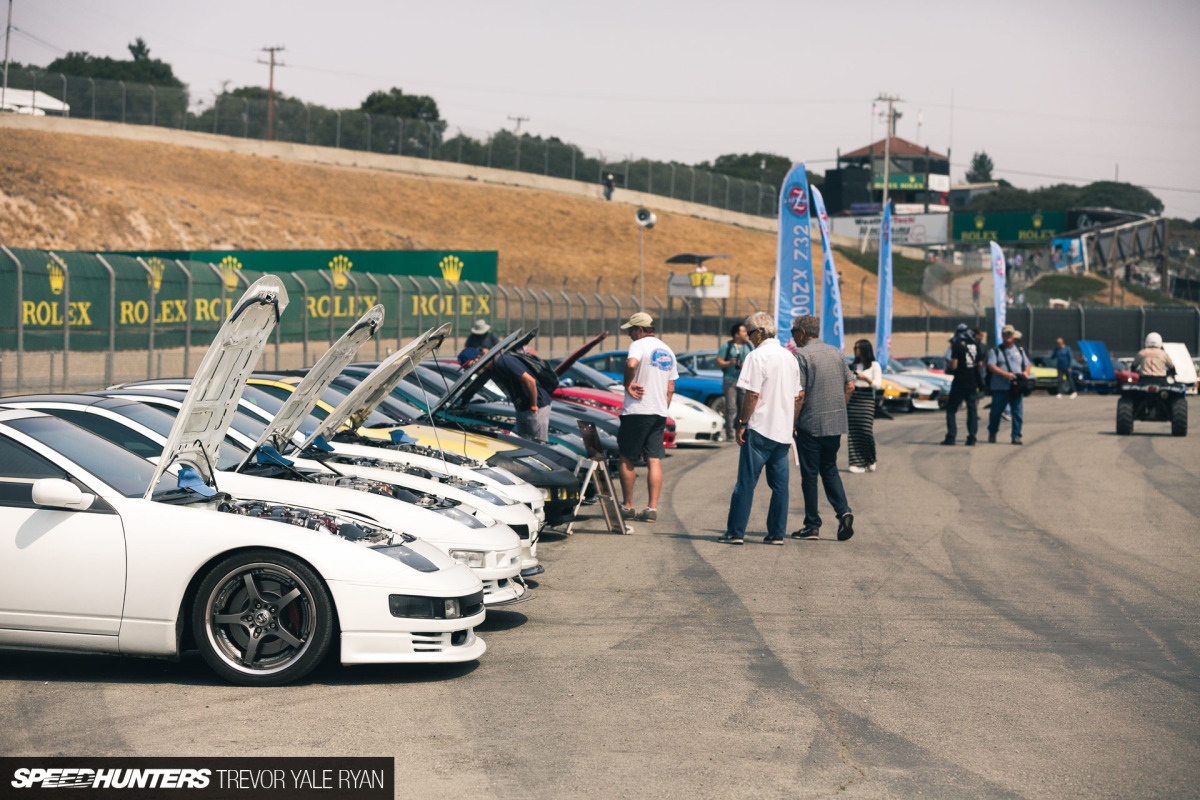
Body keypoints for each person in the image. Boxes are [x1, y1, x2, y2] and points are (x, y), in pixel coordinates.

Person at [718, 313, 801, 546]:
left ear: (760, 332)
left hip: (760, 429)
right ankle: (776, 534)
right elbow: (798, 396)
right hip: (783, 432)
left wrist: (742, 423)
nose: (750, 338)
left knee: (745, 483)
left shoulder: (757, 356)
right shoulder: (789, 357)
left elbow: (752, 394)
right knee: (780, 487)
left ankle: (735, 532)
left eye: (751, 333)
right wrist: (791, 423)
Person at [790, 315, 856, 542]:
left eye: (793, 332)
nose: (793, 337)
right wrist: (838, 407)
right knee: (829, 469)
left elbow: (799, 395)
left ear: (802, 333)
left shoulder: (802, 355)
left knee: (809, 475)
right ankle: (843, 510)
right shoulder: (836, 352)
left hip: (811, 424)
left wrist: (792, 422)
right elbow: (850, 385)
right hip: (835, 423)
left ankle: (812, 524)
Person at [617, 312, 677, 523]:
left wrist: (627, 384)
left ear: (640, 330)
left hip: (637, 410)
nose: (630, 335)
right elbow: (671, 386)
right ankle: (651, 508)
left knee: (627, 456)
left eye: (631, 330)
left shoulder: (639, 345)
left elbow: (632, 364)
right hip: (658, 412)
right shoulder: (667, 350)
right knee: (654, 460)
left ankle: (628, 506)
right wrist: (662, 407)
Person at [458, 346, 552, 441]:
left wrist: (533, 406)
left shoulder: (501, 362)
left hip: (537, 405)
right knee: (525, 443)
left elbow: (530, 381)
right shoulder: (491, 369)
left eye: (469, 366)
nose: (470, 370)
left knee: (539, 444)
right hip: (522, 408)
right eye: (466, 369)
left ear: (478, 358)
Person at [986, 324, 1031, 445]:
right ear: (1002, 335)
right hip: (1000, 387)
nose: (1008, 336)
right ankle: (993, 432)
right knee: (996, 412)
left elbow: (1027, 364)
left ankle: (1016, 436)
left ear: (1013, 335)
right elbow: (991, 366)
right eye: (1006, 334)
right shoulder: (995, 351)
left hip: (1016, 387)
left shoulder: (1020, 350)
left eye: (1010, 334)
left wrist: (1026, 372)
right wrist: (1005, 374)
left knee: (1017, 412)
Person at [942, 323, 981, 446]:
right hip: (972, 381)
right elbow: (979, 364)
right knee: (972, 410)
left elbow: (954, 366)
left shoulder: (957, 345)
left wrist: (948, 363)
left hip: (959, 381)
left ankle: (951, 436)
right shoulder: (975, 345)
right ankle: (972, 437)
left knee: (951, 409)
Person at [847, 339, 881, 472]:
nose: (855, 350)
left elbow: (878, 385)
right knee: (854, 432)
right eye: (855, 347)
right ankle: (856, 462)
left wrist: (865, 378)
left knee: (866, 430)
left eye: (858, 348)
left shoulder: (874, 365)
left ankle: (870, 459)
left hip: (866, 399)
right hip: (854, 399)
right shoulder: (853, 365)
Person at [716, 323, 752, 440]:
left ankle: (740, 429)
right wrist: (729, 363)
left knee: (743, 407)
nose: (746, 333)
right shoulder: (727, 346)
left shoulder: (749, 346)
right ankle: (729, 433)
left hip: (744, 381)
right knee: (731, 407)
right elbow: (718, 362)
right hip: (730, 381)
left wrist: (745, 366)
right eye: (743, 331)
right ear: (736, 334)